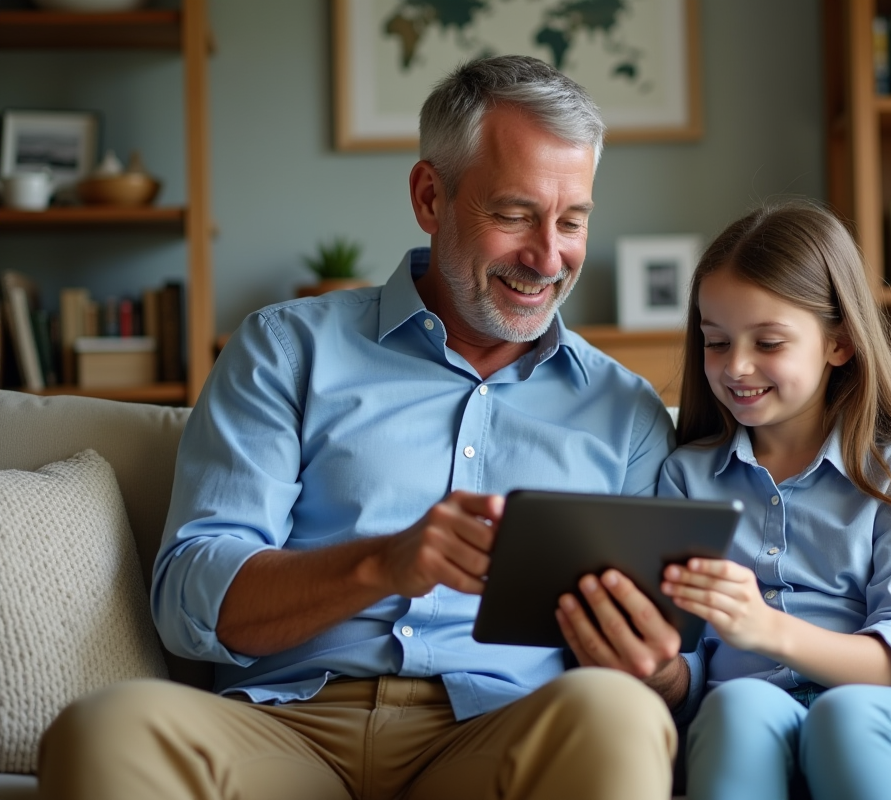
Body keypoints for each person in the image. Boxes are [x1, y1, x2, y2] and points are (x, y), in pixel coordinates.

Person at [38, 55, 694, 800]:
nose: (548, 256)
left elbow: (678, 660)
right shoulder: (287, 350)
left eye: (572, 220)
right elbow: (189, 599)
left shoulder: (627, 412)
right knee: (104, 730)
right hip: (288, 730)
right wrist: (383, 563)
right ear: (429, 196)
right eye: (514, 215)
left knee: (617, 715)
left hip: (503, 735)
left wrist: (662, 670)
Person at [657, 201, 891, 800]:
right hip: (754, 712)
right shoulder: (686, 478)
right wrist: (651, 661)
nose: (736, 366)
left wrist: (764, 628)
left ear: (839, 344)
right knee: (737, 704)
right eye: (716, 342)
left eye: (767, 342)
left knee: (844, 716)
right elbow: (687, 665)